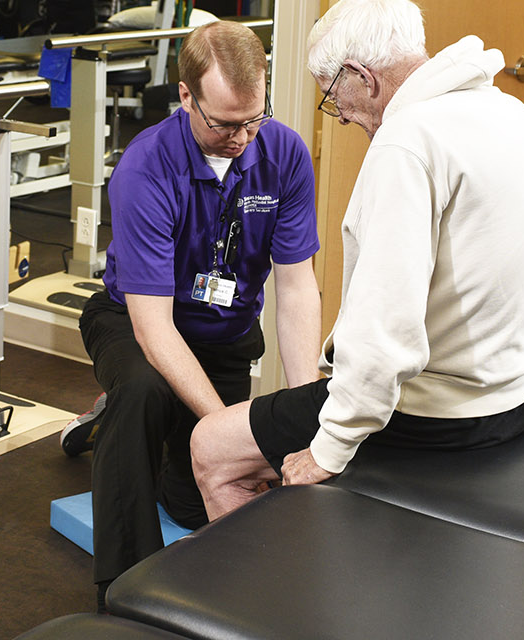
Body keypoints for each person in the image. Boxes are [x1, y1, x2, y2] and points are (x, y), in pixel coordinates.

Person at [188, 0, 524, 520]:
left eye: (336, 99)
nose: (341, 117)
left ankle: (263, 599)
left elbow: (387, 332)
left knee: (212, 446)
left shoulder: (406, 145)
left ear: (363, 76)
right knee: (297, 409)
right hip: (514, 396)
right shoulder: (506, 111)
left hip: (433, 413)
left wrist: (328, 448)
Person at [66, 20, 322, 606]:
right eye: (225, 123)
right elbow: (153, 326)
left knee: (191, 499)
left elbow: (296, 287)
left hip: (224, 336)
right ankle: (122, 587)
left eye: (253, 119)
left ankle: (114, 429)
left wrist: (303, 416)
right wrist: (223, 431)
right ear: (186, 98)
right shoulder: (145, 166)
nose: (242, 137)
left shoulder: (282, 152)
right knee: (141, 392)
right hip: (136, 324)